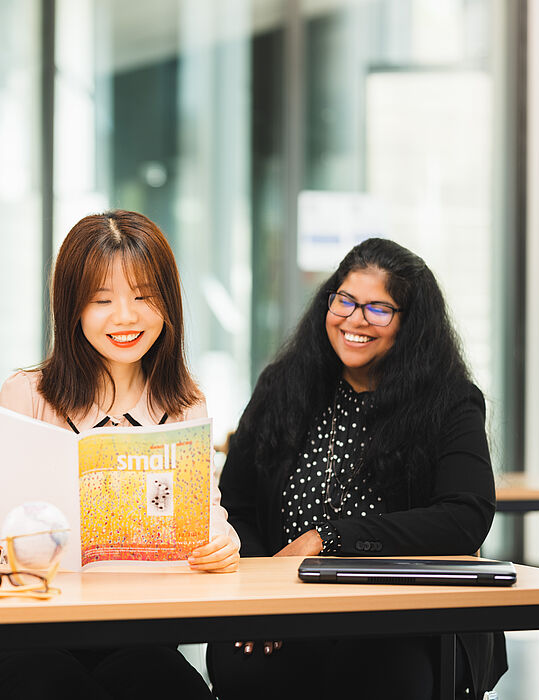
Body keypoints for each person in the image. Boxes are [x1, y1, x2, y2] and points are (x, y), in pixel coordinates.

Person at [0, 210, 240, 700]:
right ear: (72, 308)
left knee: (169, 686)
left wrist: (222, 542)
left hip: (139, 634)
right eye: (102, 300)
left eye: (144, 296)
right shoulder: (27, 393)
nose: (125, 317)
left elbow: (206, 516)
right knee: (47, 684)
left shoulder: (185, 404)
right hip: (31, 634)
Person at [207, 237, 506, 699]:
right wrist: (263, 592)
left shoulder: (449, 401)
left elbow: (465, 516)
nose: (354, 319)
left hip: (403, 617)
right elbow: (235, 507)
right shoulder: (282, 387)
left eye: (378, 309)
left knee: (374, 674)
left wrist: (329, 540)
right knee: (241, 666)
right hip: (285, 608)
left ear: (411, 325)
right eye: (344, 300)